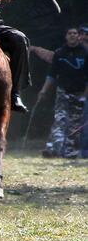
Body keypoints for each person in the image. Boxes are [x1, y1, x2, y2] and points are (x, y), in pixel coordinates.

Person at [39, 27, 87, 158]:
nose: (72, 35)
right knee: (59, 120)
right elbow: (52, 74)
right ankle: (52, 150)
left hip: (79, 92)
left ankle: (70, 152)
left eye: (75, 33)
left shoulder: (85, 53)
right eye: (69, 33)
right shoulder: (60, 53)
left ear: (78, 36)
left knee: (74, 124)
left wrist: (85, 94)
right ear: (66, 36)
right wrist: (44, 90)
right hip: (62, 91)